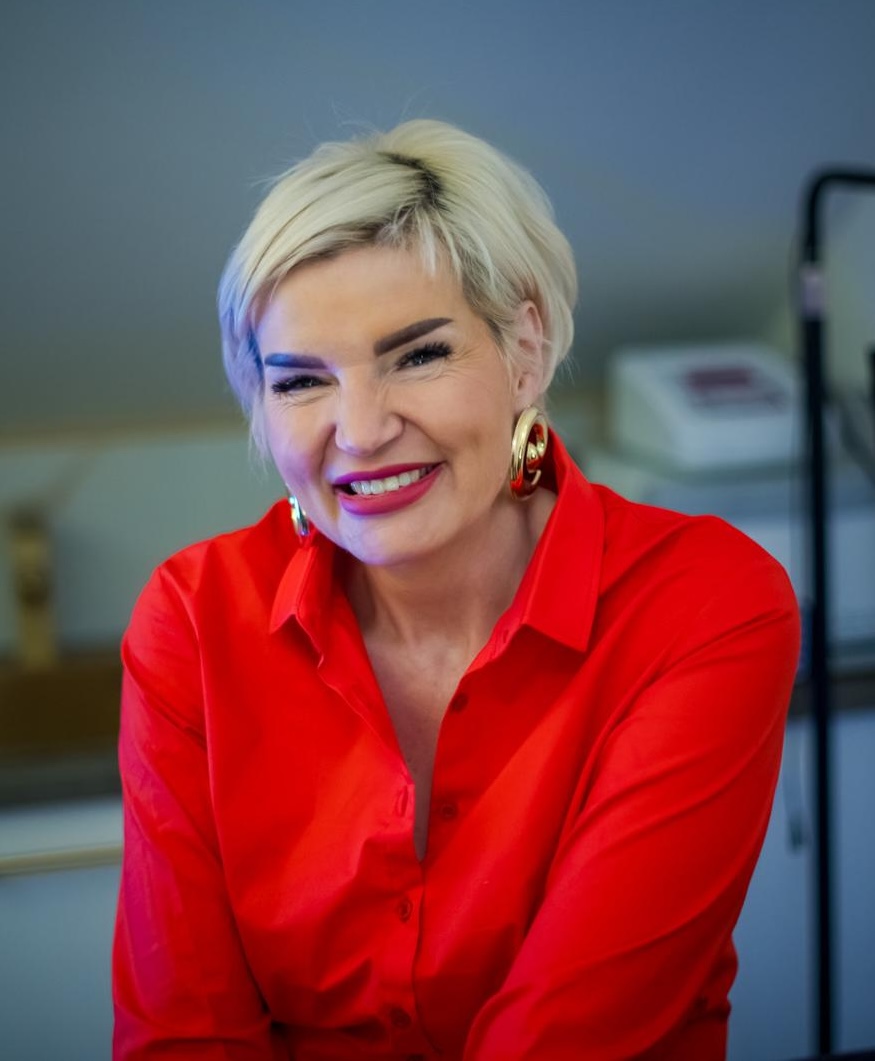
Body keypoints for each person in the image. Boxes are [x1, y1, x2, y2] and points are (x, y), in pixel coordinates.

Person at [112, 119, 800, 1060]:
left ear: (525, 349)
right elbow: (184, 1033)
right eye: (302, 381)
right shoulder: (194, 619)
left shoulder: (702, 606)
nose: (360, 431)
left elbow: (566, 1039)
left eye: (418, 355)